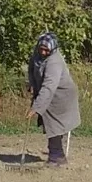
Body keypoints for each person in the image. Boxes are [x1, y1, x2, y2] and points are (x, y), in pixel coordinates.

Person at [26, 33, 81, 167]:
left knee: (54, 126)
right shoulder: (36, 56)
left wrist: (36, 108)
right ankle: (56, 155)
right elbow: (31, 71)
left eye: (47, 50)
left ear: (53, 49)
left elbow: (49, 85)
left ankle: (57, 157)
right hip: (48, 94)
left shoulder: (54, 61)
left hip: (61, 96)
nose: (44, 52)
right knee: (49, 125)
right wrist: (32, 85)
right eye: (41, 49)